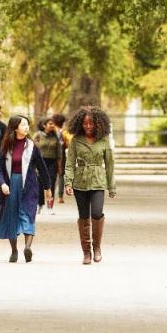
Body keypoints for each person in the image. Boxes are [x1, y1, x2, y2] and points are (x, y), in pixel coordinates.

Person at [0, 115, 53, 263]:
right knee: (11, 216)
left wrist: (47, 188)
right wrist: (2, 184)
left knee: (28, 214)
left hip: (29, 185)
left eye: (27, 125)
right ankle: (14, 250)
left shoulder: (32, 146)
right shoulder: (6, 146)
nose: (27, 127)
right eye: (23, 125)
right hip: (11, 185)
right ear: (15, 127)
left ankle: (27, 247)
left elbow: (42, 168)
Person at [64, 106, 116, 264]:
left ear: (98, 124)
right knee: (83, 216)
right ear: (80, 123)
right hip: (80, 182)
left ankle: (97, 248)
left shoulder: (104, 139)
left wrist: (111, 186)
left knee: (97, 213)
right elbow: (70, 163)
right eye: (85, 123)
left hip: (98, 181)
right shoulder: (76, 140)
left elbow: (110, 164)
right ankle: (86, 252)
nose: (88, 126)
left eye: (91, 123)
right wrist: (68, 182)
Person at [33, 116, 64, 215]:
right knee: (40, 184)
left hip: (52, 163)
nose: (52, 125)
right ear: (44, 125)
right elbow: (32, 150)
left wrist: (59, 167)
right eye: (50, 124)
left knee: (51, 184)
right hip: (40, 162)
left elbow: (59, 152)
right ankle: (39, 205)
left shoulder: (56, 136)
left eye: (53, 124)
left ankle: (50, 206)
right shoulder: (38, 135)